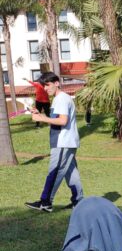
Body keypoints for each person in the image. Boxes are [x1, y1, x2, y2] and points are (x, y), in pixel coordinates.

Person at [25, 73, 84, 212]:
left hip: (63, 142)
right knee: (71, 173)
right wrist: (40, 115)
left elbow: (63, 121)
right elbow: (56, 120)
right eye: (43, 86)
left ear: (56, 83)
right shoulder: (59, 99)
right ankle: (79, 201)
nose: (45, 88)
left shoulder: (62, 99)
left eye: (48, 85)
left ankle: (45, 202)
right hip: (65, 142)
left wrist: (41, 118)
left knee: (55, 171)